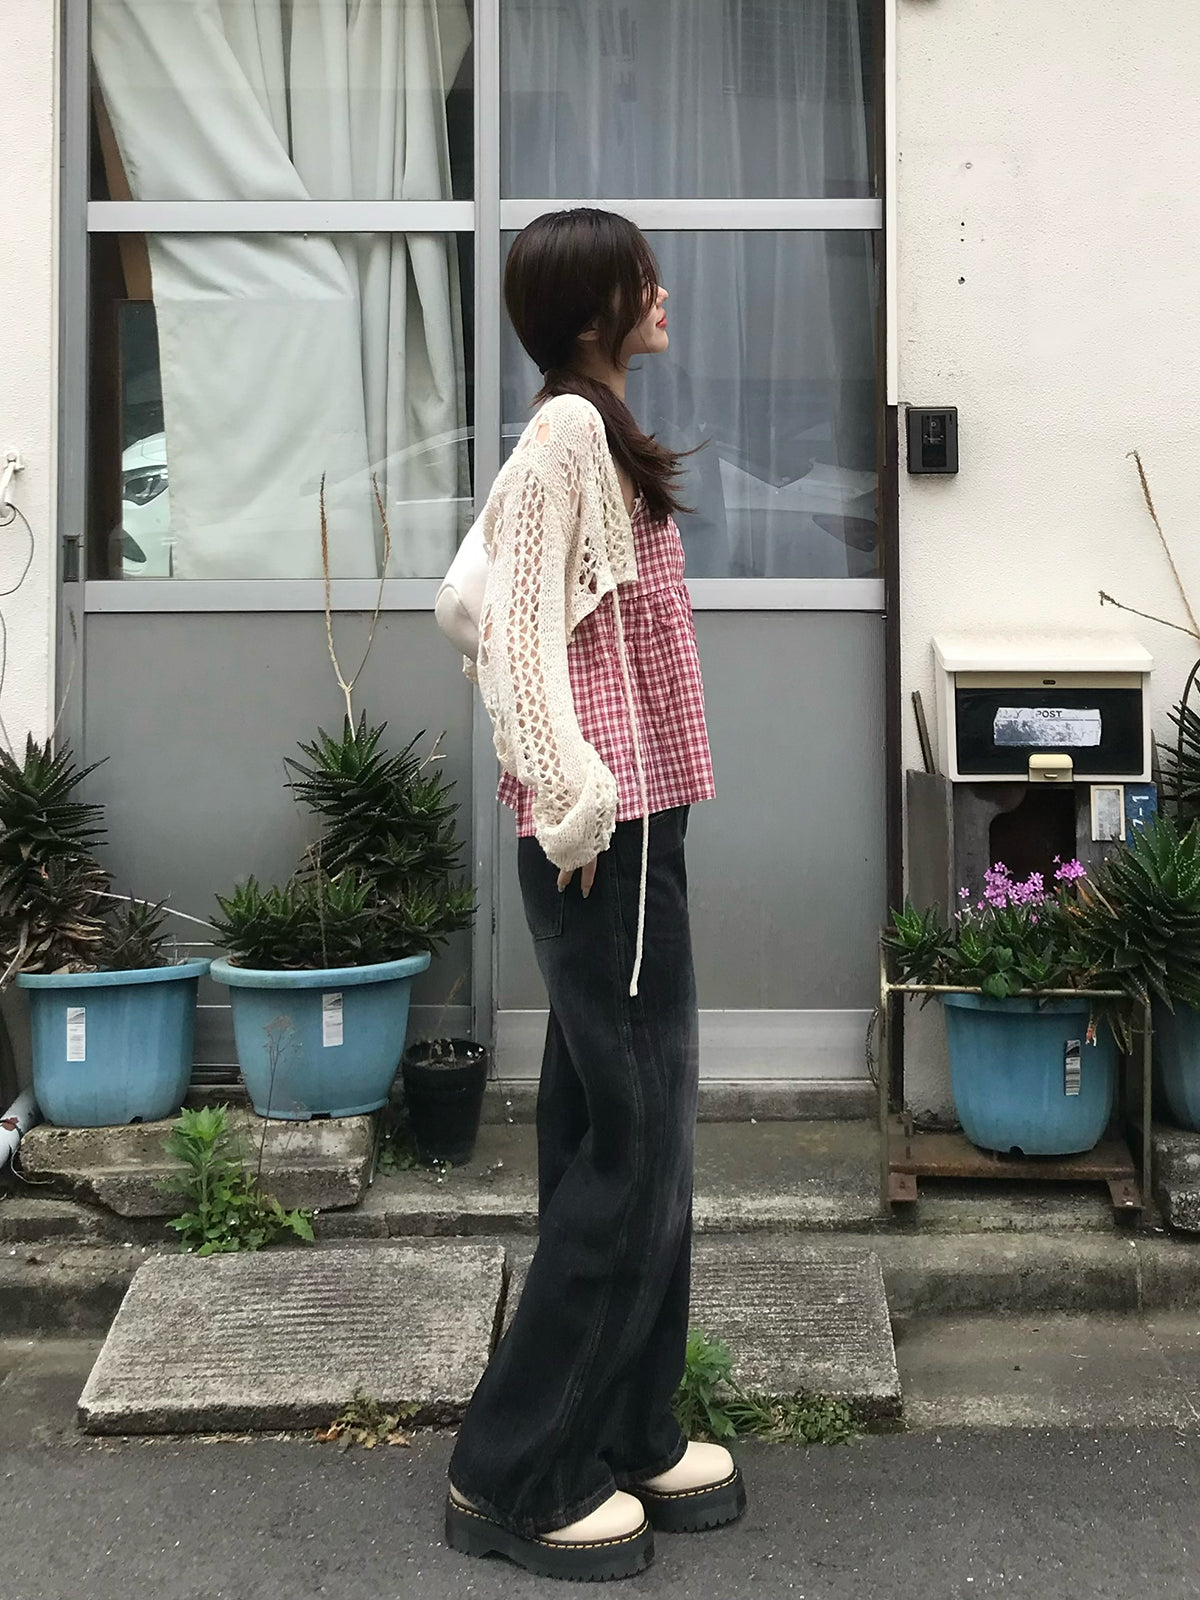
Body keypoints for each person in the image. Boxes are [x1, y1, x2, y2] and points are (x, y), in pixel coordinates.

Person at [445, 207, 744, 1582]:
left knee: (623, 1135)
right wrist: (571, 799)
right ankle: (515, 1472)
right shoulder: (569, 432)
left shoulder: (590, 431)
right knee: (633, 1147)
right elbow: (506, 631)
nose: (661, 292)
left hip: (630, 834)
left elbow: (478, 595)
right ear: (590, 309)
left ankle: (626, 1424)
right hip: (600, 847)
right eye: (640, 278)